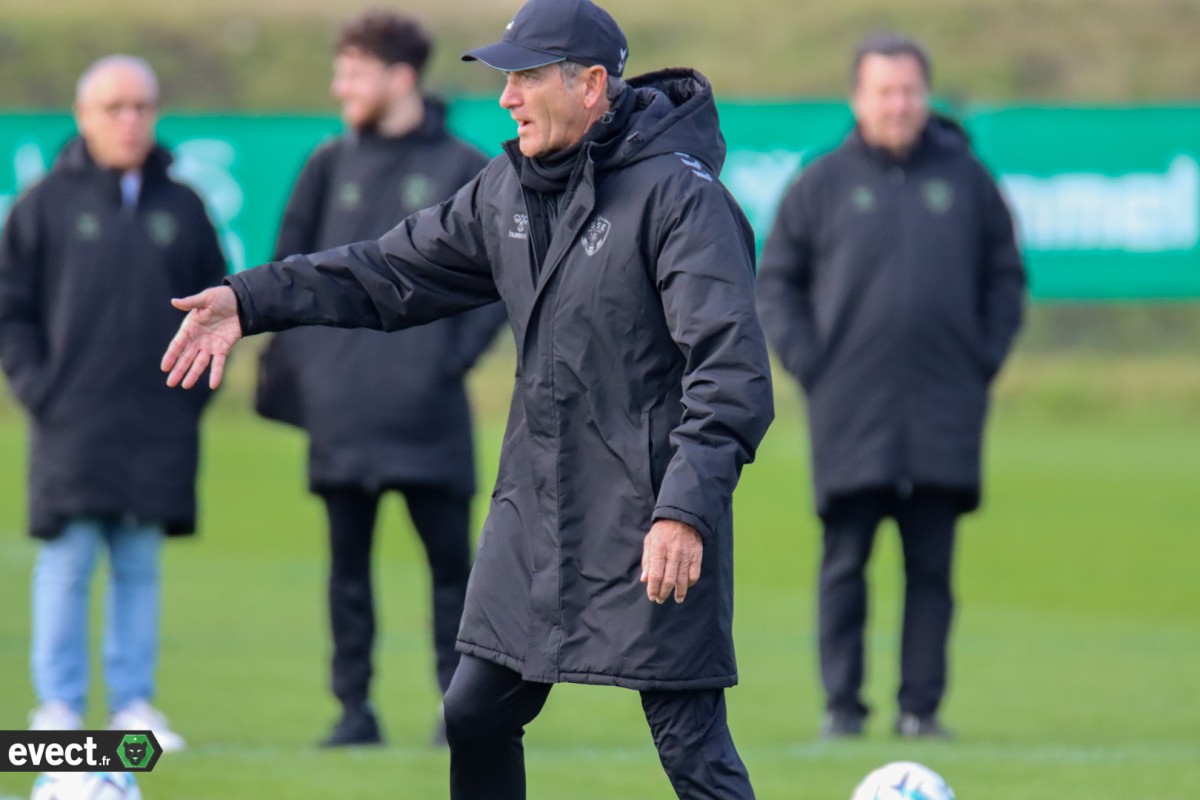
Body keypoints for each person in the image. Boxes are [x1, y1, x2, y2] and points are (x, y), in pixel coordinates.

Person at [161, 0, 774, 795]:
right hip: (535, 516)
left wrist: (684, 511)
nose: (506, 98)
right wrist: (250, 300)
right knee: (476, 712)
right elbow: (387, 271)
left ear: (591, 85)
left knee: (690, 746)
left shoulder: (681, 198)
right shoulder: (506, 189)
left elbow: (729, 372)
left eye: (525, 78)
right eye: (504, 79)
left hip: (646, 516)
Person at [756, 33, 1026, 739]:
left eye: (908, 91)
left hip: (944, 407)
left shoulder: (968, 180)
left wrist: (981, 359)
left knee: (931, 567)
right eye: (884, 92)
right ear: (858, 99)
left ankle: (920, 710)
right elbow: (776, 281)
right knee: (845, 560)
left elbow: (1006, 277)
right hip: (850, 408)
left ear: (925, 95)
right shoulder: (821, 182)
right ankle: (842, 708)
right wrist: (810, 362)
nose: (898, 105)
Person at [255, 10, 503, 748]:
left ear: (399, 78)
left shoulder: (464, 166)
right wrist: (313, 367)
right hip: (342, 414)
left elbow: (501, 281)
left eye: (354, 73)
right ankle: (354, 711)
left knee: (453, 572)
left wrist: (449, 360)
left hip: (429, 413)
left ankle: (458, 713)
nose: (341, 88)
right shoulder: (327, 164)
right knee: (347, 574)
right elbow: (287, 271)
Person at [0, 55, 226, 750]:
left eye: (141, 107)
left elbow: (220, 311)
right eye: (114, 107)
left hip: (158, 423)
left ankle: (132, 703)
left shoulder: (183, 208)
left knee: (138, 563)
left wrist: (189, 400)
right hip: (72, 422)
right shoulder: (45, 205)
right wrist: (39, 389)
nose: (129, 120)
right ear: (83, 116)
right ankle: (59, 707)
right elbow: (11, 309)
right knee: (67, 562)